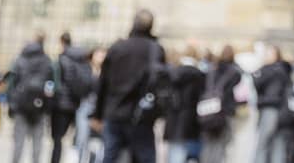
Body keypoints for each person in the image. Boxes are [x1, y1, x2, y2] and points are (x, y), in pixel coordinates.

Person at [92, 10, 166, 163]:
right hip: (140, 115)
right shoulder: (154, 49)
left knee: (110, 156)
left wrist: (98, 114)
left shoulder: (117, 48)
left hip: (115, 112)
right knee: (144, 157)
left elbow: (103, 83)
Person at [6, 34, 53, 163]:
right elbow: (51, 84)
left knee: (18, 142)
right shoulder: (47, 60)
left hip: (21, 106)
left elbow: (11, 84)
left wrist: (12, 104)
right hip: (40, 107)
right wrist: (47, 105)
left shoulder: (20, 59)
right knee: (37, 143)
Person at [195, 48, 242, 163]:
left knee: (208, 144)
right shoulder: (235, 72)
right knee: (220, 145)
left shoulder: (211, 70)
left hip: (207, 110)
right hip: (225, 112)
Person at [49, 34, 91, 163]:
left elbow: (56, 82)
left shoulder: (63, 59)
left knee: (57, 138)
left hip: (60, 104)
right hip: (76, 103)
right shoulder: (82, 60)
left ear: (62, 42)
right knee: (76, 139)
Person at [163, 48, 205, 163]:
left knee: (174, 149)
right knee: (188, 150)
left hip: (173, 115)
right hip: (191, 116)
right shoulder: (199, 75)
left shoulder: (173, 73)